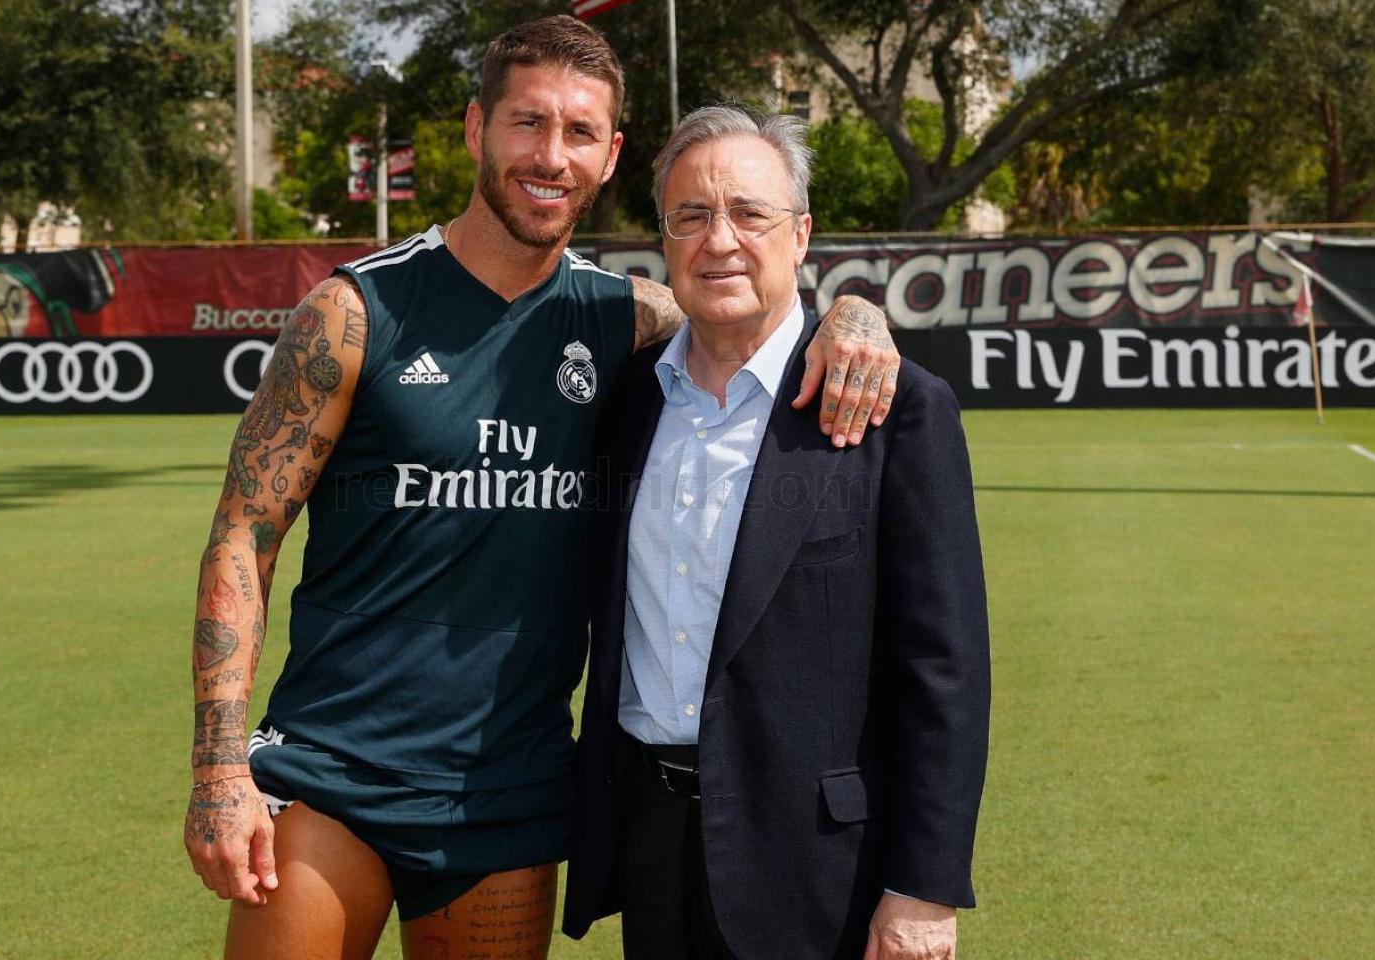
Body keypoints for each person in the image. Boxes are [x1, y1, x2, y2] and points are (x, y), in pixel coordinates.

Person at [183, 17, 903, 960]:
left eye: (577, 134)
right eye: (528, 124)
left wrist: (856, 311)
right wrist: (217, 767)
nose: (549, 156)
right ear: (476, 130)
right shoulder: (353, 313)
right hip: (334, 774)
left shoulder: (626, 322)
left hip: (509, 797)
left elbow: (754, 309)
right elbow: (244, 530)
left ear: (609, 157)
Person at [561, 105, 991, 960]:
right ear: (665, 239)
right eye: (691, 216)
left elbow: (945, 671)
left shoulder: (895, 411)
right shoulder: (626, 400)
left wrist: (923, 891)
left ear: (800, 235)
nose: (719, 239)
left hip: (822, 869)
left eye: (749, 213)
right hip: (652, 851)